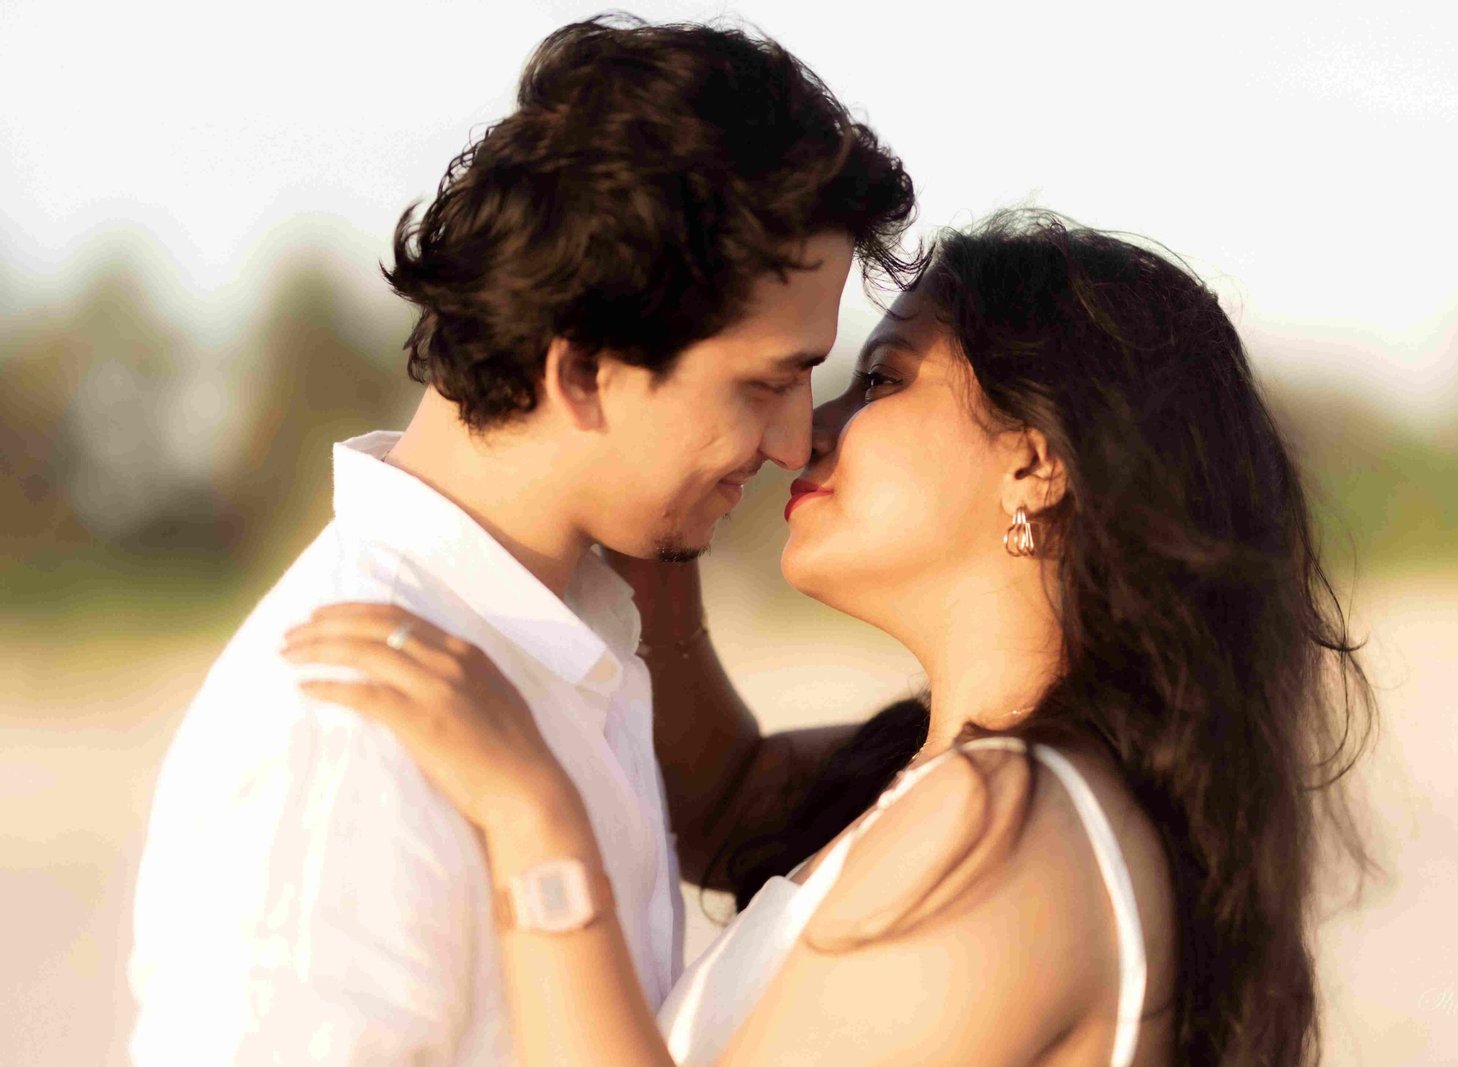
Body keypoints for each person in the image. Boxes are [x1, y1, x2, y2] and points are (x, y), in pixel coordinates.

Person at [284, 209, 1376, 1066]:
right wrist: (654, 504)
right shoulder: (970, 778)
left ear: (1037, 460)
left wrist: (537, 832)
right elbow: (724, 796)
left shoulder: (1009, 827)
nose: (805, 432)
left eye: (884, 379)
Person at [126, 16, 916, 1064]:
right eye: (765, 382)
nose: (788, 443)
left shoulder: (560, 638)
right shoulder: (345, 726)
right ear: (582, 369)